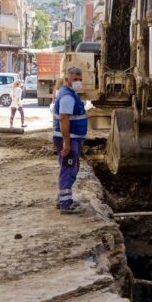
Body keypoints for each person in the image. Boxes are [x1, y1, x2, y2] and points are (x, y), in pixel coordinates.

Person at [52, 67, 87, 214]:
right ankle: (66, 204)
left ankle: (62, 199)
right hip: (69, 139)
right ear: (67, 80)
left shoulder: (69, 93)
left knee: (70, 168)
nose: (78, 82)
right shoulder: (67, 97)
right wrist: (66, 142)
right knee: (68, 169)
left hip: (71, 139)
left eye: (80, 80)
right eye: (75, 80)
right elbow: (64, 119)